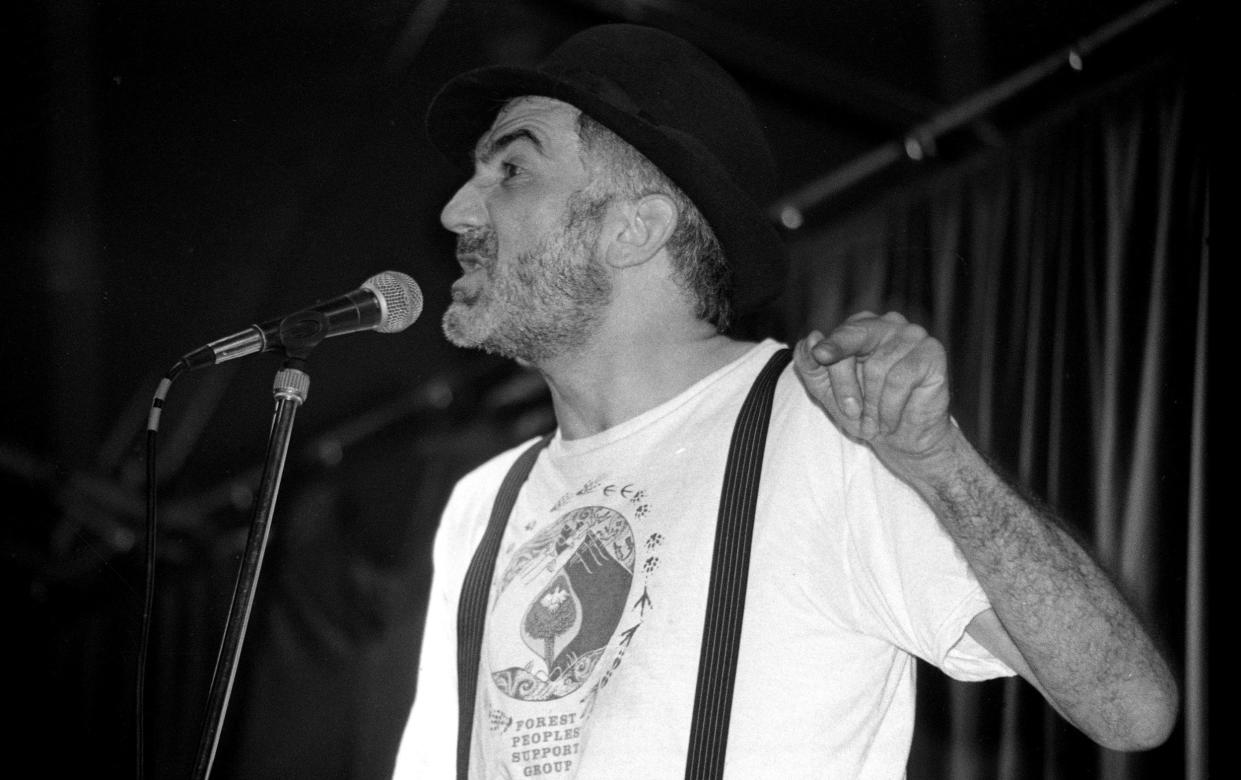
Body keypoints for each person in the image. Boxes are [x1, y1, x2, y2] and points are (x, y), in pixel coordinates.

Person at [393, 23, 1177, 779]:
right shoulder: (481, 506)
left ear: (635, 228)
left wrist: (942, 469)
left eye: (512, 170)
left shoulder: (824, 430)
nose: (456, 210)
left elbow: (1130, 710)